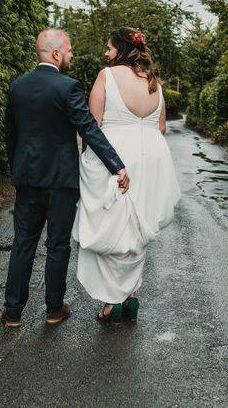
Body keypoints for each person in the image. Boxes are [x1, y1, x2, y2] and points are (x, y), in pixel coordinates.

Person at [1, 29, 130, 328]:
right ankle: (54, 309)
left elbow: (11, 136)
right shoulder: (68, 87)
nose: (72, 55)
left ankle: (13, 312)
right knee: (57, 246)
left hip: (27, 179)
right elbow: (89, 129)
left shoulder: (17, 87)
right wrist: (116, 165)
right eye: (69, 50)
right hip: (61, 181)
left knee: (23, 243)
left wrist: (18, 170)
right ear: (57, 54)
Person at [72, 27, 181, 324]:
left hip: (117, 155)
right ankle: (130, 295)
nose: (105, 53)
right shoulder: (154, 82)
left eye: (108, 48)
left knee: (112, 225)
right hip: (152, 157)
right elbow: (160, 128)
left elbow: (92, 125)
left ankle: (113, 302)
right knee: (137, 226)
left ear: (120, 49)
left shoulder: (107, 75)